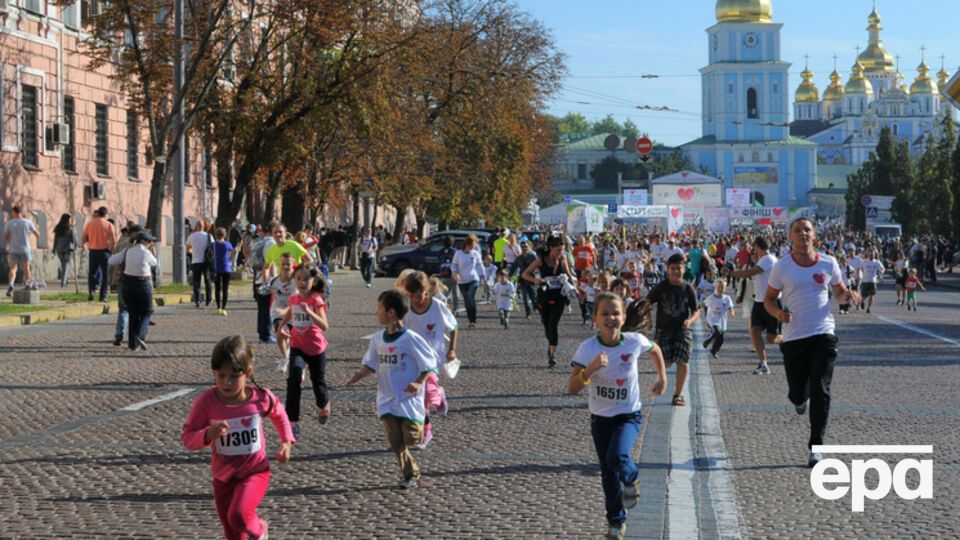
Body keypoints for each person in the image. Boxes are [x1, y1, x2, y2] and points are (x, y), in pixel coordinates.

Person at [567, 292, 667, 540]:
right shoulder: (588, 348)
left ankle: (632, 478)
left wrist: (662, 377)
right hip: (600, 420)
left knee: (617, 457)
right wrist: (590, 369)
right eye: (605, 314)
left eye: (615, 313)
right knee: (608, 473)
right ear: (595, 319)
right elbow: (572, 387)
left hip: (628, 416)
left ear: (623, 318)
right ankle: (616, 522)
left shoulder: (634, 341)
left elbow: (655, 349)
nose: (610, 318)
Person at [764, 217, 860, 468]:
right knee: (797, 394)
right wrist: (778, 314)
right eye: (797, 230)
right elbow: (769, 300)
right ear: (790, 237)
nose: (803, 233)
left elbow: (839, 293)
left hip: (823, 333)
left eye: (807, 229)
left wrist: (848, 295)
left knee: (821, 387)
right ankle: (800, 400)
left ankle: (816, 447)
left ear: (814, 235)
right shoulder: (782, 267)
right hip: (794, 337)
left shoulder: (829, 262)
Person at [181, 336, 293, 540]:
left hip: (255, 472)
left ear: (248, 373)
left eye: (234, 376)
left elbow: (279, 414)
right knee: (232, 533)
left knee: (239, 516)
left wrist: (286, 441)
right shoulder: (207, 402)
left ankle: (260, 529)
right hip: (223, 478)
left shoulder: (261, 398)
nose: (227, 382)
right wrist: (207, 435)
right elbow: (188, 437)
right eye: (221, 375)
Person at [345, 290, 439, 490]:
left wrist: (419, 382)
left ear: (391, 312)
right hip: (386, 398)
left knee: (412, 438)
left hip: (408, 398)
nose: (376, 312)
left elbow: (429, 364)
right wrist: (360, 374)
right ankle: (410, 474)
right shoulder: (377, 339)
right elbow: (371, 363)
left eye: (379, 308)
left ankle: (424, 420)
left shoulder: (411, 339)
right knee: (395, 442)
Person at [399, 271, 458, 450]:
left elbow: (454, 327)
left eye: (418, 296)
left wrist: (452, 349)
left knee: (426, 394)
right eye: (411, 296)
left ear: (426, 291)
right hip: (412, 358)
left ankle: (438, 397)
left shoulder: (437, 306)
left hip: (432, 358)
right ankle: (426, 430)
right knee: (418, 396)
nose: (415, 300)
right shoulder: (406, 309)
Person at [277, 263, 329, 437]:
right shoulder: (293, 299)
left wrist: (310, 312)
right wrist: (281, 327)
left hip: (316, 348)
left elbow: (324, 326)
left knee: (318, 383)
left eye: (306, 279)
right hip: (297, 346)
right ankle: (292, 421)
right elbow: (290, 313)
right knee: (294, 379)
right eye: (298, 279)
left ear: (314, 281)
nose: (302, 282)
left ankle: (324, 405)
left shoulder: (316, 299)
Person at [642, 253, 699, 406]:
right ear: (667, 270)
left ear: (684, 270)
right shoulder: (661, 287)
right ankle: (661, 380)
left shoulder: (688, 288)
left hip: (682, 330)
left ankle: (677, 395)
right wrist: (647, 321)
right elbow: (646, 303)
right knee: (665, 363)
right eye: (673, 268)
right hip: (663, 330)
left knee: (683, 361)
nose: (676, 271)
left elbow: (696, 311)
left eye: (679, 268)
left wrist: (690, 321)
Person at [723, 236, 780, 375]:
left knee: (772, 338)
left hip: (771, 302)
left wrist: (731, 273)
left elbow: (750, 273)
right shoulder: (763, 260)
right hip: (759, 302)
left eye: (754, 248)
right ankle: (763, 363)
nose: (753, 251)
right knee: (754, 331)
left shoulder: (768, 259)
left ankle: (791, 338)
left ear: (758, 247)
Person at [522, 234, 577, 367]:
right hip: (544, 295)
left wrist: (573, 284)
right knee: (547, 326)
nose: (560, 253)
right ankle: (550, 342)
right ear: (551, 248)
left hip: (559, 296)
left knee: (553, 324)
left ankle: (552, 355)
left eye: (562, 250)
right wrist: (535, 280)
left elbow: (569, 275)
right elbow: (525, 274)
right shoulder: (541, 260)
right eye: (558, 250)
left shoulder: (563, 258)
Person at [108, 230, 158, 351]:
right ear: (143, 241)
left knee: (133, 313)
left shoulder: (127, 251)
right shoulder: (146, 252)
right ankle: (140, 334)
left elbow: (111, 260)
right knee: (147, 311)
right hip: (143, 283)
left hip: (128, 284)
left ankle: (132, 344)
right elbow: (154, 263)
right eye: (149, 241)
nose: (150, 243)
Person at [264, 253, 296, 372]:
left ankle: (291, 355)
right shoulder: (275, 281)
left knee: (292, 338)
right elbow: (268, 290)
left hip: (293, 313)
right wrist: (263, 290)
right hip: (277, 312)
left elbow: (295, 301)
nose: (285, 266)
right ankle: (285, 357)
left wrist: (285, 310)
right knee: (279, 334)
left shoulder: (296, 281)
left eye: (288, 264)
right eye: (283, 264)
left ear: (293, 265)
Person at [450, 235, 486, 328]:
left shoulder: (476, 254)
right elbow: (454, 265)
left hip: (473, 279)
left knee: (470, 296)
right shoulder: (458, 253)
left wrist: (484, 277)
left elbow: (480, 265)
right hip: (462, 281)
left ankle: (473, 319)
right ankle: (470, 320)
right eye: (472, 245)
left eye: (474, 245)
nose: (473, 247)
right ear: (467, 244)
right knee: (467, 300)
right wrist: (455, 273)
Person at [82, 206, 116, 301]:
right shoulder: (109, 225)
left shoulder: (90, 224)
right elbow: (113, 240)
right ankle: (103, 296)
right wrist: (112, 251)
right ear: (106, 214)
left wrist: (91, 240)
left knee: (92, 273)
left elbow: (84, 239)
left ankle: (91, 291)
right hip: (105, 251)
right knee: (105, 274)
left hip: (93, 251)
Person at [4, 206, 40, 295]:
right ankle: (27, 285)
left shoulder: (10, 223)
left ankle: (11, 284)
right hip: (25, 248)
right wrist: (35, 229)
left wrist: (10, 237)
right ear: (21, 212)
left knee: (13, 268)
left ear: (14, 212)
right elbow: (37, 235)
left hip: (13, 249)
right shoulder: (28, 222)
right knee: (26, 267)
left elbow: (5, 236)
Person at [702, 279, 735, 359]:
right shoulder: (711, 298)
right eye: (719, 287)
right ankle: (707, 341)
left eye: (722, 287)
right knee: (716, 331)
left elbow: (730, 306)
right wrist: (697, 308)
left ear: (725, 288)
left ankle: (714, 351)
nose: (721, 289)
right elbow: (703, 303)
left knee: (720, 339)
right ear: (715, 287)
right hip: (712, 319)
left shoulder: (727, 298)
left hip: (722, 321)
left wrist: (732, 312)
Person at [186, 221, 213, 308]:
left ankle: (197, 300)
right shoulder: (209, 236)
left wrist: (193, 252)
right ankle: (208, 300)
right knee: (207, 281)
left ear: (196, 226)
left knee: (196, 282)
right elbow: (212, 248)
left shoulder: (191, 236)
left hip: (195, 261)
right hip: (206, 262)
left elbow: (188, 249)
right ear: (204, 226)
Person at [211, 227, 235, 315]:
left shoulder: (213, 245)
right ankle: (224, 308)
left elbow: (211, 253)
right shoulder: (227, 244)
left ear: (216, 235)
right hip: (226, 268)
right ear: (224, 235)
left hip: (217, 269)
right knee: (225, 289)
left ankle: (218, 307)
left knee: (217, 289)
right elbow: (231, 253)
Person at [515, 238, 538, 319]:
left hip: (532, 279)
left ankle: (535, 306)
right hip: (523, 280)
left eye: (526, 246)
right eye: (523, 247)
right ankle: (528, 313)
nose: (524, 248)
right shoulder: (519, 257)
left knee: (534, 296)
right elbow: (514, 267)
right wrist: (510, 276)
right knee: (525, 298)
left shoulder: (533, 256)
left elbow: (539, 266)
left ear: (529, 247)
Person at [52, 213, 76, 288]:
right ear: (68, 220)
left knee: (63, 265)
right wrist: (75, 246)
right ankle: (63, 282)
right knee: (66, 265)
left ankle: (65, 280)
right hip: (68, 249)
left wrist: (54, 248)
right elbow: (75, 239)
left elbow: (55, 239)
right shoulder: (71, 228)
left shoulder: (58, 227)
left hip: (59, 249)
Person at [858, 249, 885, 314]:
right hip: (865, 281)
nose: (872, 255)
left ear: (875, 255)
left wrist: (881, 272)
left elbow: (883, 269)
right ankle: (862, 301)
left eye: (873, 254)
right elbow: (861, 269)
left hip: (873, 281)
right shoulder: (864, 262)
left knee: (872, 295)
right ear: (868, 255)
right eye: (870, 254)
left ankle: (868, 308)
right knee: (864, 295)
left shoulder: (877, 262)